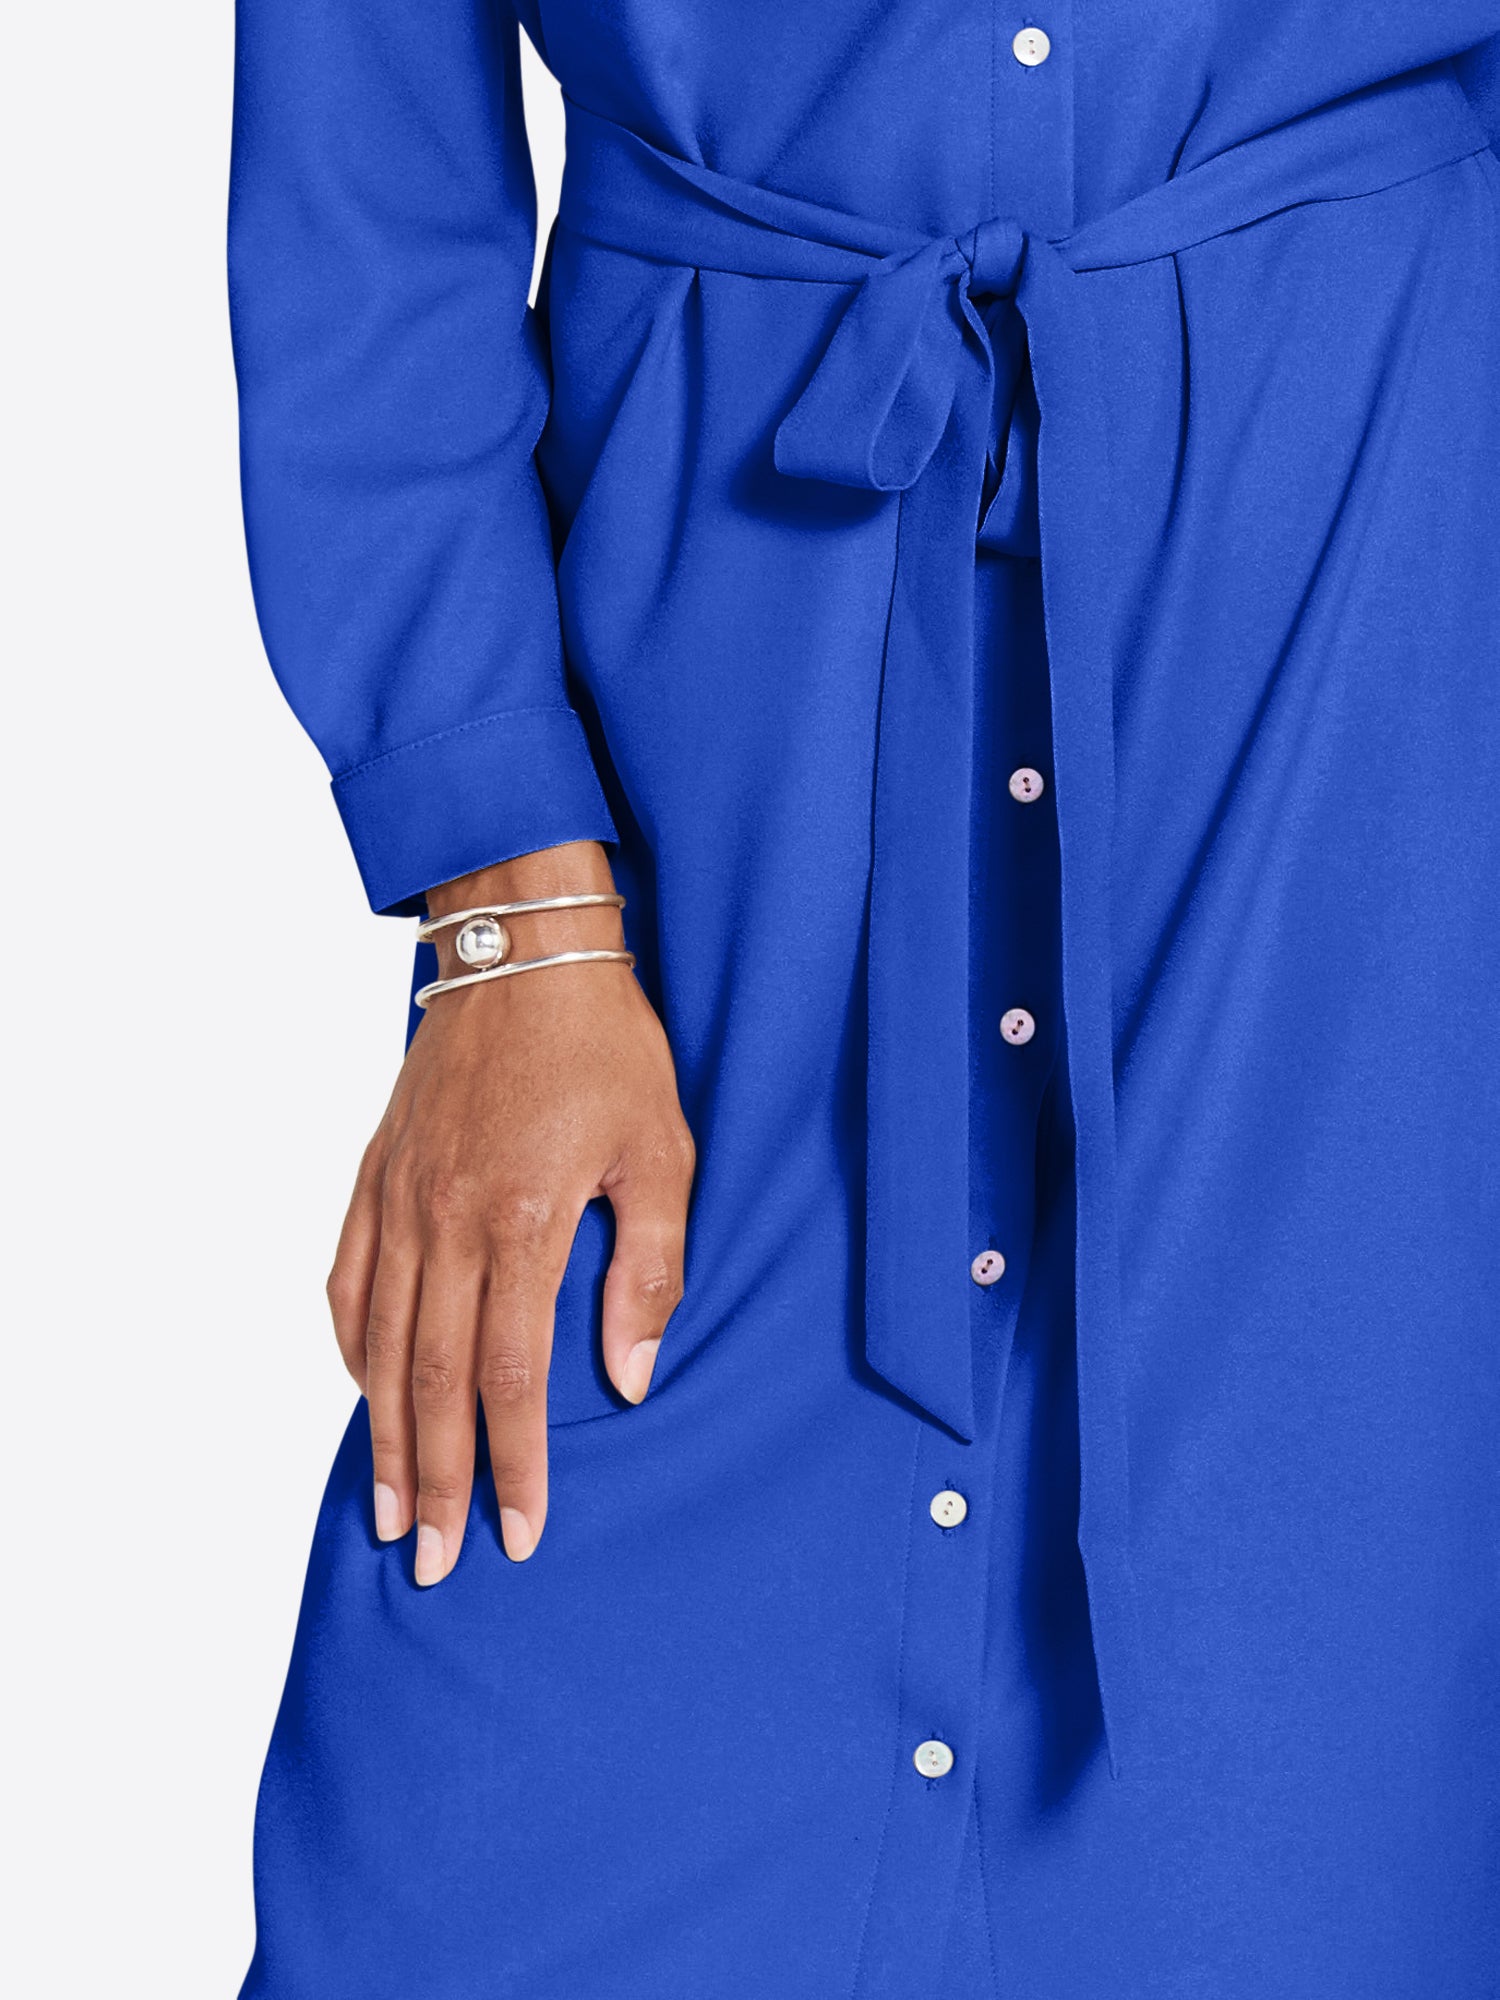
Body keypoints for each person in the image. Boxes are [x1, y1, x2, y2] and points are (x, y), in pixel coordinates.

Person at [226, 4, 1500, 1993]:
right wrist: (506, 905)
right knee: (489, 1712)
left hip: (1353, 664)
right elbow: (363, 149)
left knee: (1301, 1801)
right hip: (717, 720)